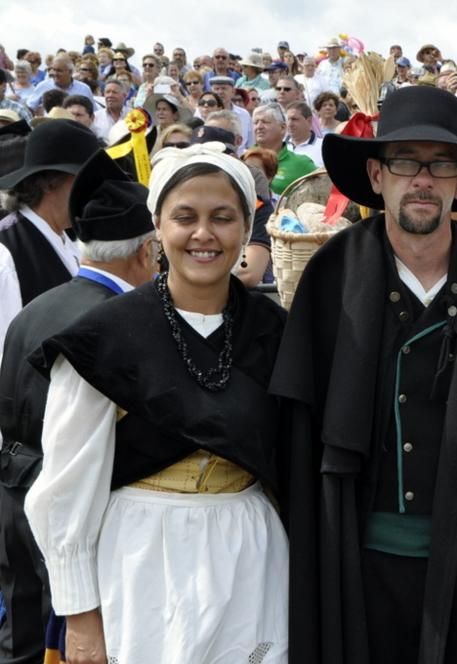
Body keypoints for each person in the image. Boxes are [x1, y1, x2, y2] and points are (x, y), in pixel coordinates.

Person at [268, 84, 457, 663]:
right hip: (362, 568)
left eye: (442, 163)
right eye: (406, 161)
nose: (423, 179)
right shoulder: (332, 274)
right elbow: (300, 436)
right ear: (378, 176)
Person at [24, 144, 289, 664]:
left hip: (251, 553)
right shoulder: (105, 336)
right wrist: (80, 617)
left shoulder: (275, 331)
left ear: (245, 227)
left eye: (223, 217)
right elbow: (66, 485)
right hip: (142, 557)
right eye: (185, 217)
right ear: (158, 228)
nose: (204, 234)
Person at [0, 150, 156, 664]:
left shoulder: (38, 305)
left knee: (19, 639)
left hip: (11, 490)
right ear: (144, 254)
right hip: (65, 502)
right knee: (67, 639)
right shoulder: (117, 320)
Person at [0, 120, 101, 342]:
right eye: (84, 179)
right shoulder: (7, 256)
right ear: (48, 183)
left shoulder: (69, 240)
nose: (94, 189)